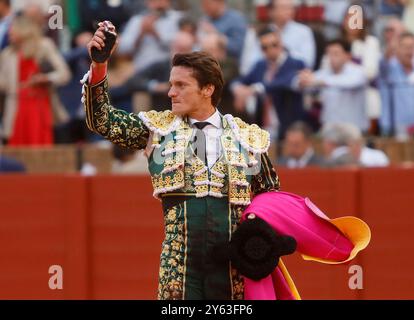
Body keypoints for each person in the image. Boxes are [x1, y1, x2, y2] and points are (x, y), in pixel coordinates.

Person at [82, 21, 370, 300]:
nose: (171, 92)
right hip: (180, 270)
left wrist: (260, 242)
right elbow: (102, 120)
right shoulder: (157, 130)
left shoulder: (248, 138)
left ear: (207, 89)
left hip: (234, 268)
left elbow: (268, 198)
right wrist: (99, 66)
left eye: (181, 85)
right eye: (171, 84)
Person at [0, 14, 71, 145]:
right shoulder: (7, 54)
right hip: (17, 107)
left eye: (12, 32)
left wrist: (46, 78)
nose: (9, 35)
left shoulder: (44, 46)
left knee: (40, 141)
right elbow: (3, 84)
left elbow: (64, 74)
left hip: (40, 104)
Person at [298, 39, 368, 133]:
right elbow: (305, 84)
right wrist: (303, 80)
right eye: (329, 54)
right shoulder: (324, 73)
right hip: (330, 128)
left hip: (353, 129)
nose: (331, 57)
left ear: (348, 56)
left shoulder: (358, 72)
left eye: (336, 54)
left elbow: (346, 82)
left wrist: (319, 82)